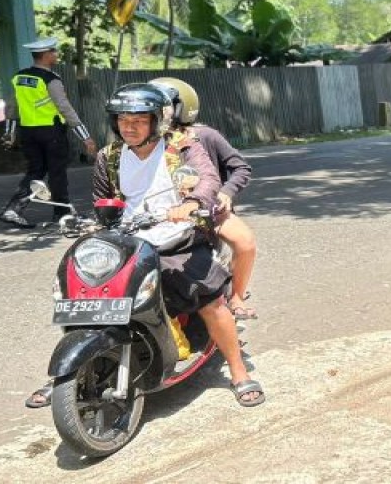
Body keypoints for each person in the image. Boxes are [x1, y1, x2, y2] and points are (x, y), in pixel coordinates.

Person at [25, 84, 263, 409]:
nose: (129, 127)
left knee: (209, 302)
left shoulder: (182, 147)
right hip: (130, 240)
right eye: (123, 120)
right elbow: (102, 200)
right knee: (86, 295)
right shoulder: (109, 156)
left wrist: (192, 203)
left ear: (157, 121)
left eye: (138, 120)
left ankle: (238, 372)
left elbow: (207, 179)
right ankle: (69, 372)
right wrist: (99, 220)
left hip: (177, 238)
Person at [149, 77, 259, 320]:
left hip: (207, 211)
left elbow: (240, 167)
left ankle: (237, 296)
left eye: (163, 107)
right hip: (159, 215)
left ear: (180, 108)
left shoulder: (204, 135)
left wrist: (226, 192)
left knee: (245, 242)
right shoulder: (140, 143)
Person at [0, 37, 97, 228]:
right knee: (57, 173)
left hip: (28, 132)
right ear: (45, 55)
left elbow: (12, 107)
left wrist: (10, 133)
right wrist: (85, 137)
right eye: (54, 52)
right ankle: (62, 213)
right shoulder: (51, 80)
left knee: (35, 171)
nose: (56, 55)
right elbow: (65, 109)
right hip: (51, 133)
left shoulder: (20, 77)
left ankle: (13, 209)